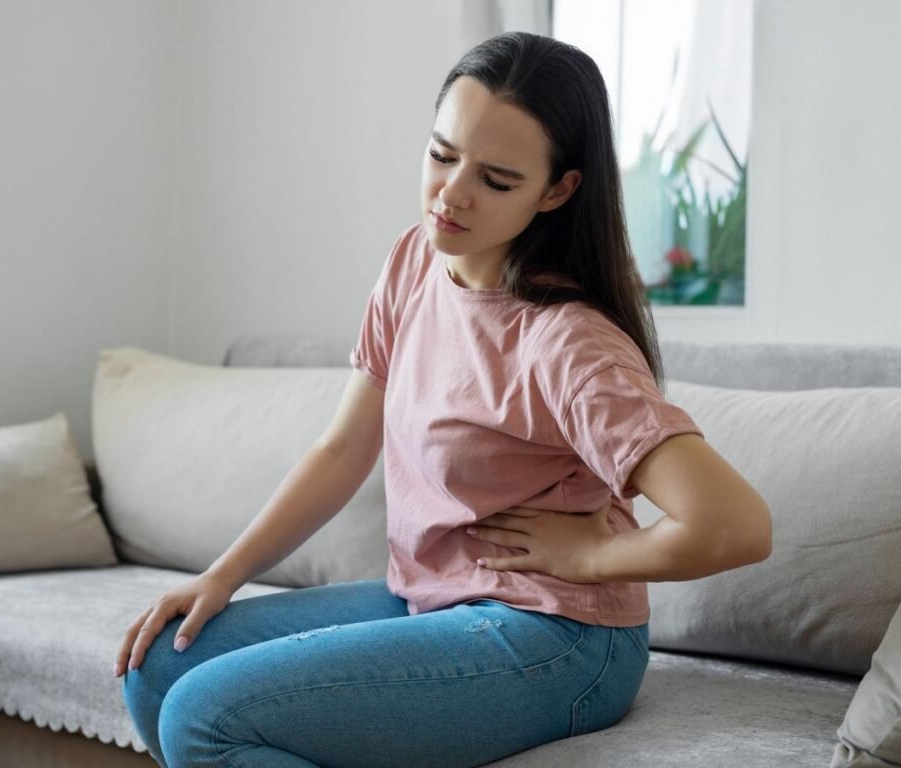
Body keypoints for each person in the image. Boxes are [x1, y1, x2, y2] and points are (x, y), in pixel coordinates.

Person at [117, 31, 772, 768]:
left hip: (558, 635)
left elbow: (736, 525)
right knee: (157, 668)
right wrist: (220, 577)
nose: (452, 194)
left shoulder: (570, 344)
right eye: (441, 154)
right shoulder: (415, 262)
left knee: (203, 719)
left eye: (496, 180)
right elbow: (341, 451)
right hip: (429, 595)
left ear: (557, 190)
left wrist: (593, 555)